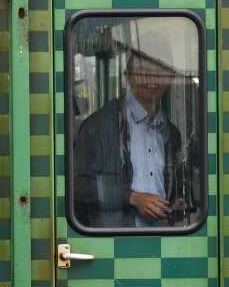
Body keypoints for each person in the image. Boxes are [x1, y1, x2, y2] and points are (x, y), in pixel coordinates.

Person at [73, 49, 188, 229]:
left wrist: (177, 200)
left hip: (166, 240)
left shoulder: (172, 133)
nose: (151, 79)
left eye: (159, 71)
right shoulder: (99, 126)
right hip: (115, 242)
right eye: (143, 71)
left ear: (171, 77)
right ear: (128, 76)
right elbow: (78, 187)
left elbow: (176, 182)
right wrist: (133, 198)